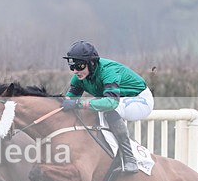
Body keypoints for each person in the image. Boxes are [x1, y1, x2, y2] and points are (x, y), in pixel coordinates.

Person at [60, 40, 154, 173]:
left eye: (79, 66)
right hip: (119, 99)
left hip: (139, 100)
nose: (75, 71)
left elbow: (111, 103)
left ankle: (129, 159)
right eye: (72, 67)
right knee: (90, 110)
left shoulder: (108, 71)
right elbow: (69, 100)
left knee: (110, 110)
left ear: (91, 63)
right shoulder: (79, 77)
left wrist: (78, 104)